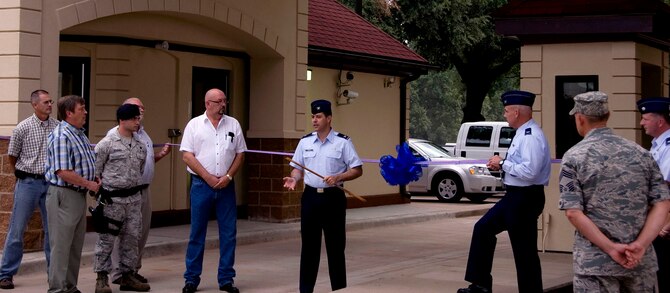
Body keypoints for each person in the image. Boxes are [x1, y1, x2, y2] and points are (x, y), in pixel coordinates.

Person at [559, 91, 670, 292]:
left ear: (580, 118)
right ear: (607, 116)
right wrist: (641, 245)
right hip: (640, 264)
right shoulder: (641, 154)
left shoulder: (573, 157)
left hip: (595, 266)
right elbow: (662, 203)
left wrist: (611, 249)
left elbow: (573, 212)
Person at [458, 90, 551, 293]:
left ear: (516, 112)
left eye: (507, 111)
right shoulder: (523, 133)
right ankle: (480, 284)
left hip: (524, 198)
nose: (504, 114)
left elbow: (530, 172)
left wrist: (503, 163)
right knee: (483, 229)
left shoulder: (531, 136)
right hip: (516, 197)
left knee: (524, 251)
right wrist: (501, 165)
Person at [283, 99, 363, 293]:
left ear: (329, 118)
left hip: (333, 198)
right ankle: (305, 289)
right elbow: (297, 169)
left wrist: (339, 176)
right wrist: (294, 179)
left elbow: (357, 169)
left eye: (318, 116)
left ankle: (339, 288)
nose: (314, 120)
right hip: (311, 198)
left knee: (335, 247)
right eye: (312, 116)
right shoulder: (305, 142)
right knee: (309, 248)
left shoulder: (343, 142)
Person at [180, 88, 246, 293]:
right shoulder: (194, 125)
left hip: (226, 186)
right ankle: (191, 279)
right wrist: (208, 177)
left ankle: (226, 279)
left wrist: (228, 177)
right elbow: (187, 156)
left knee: (228, 233)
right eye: (219, 102)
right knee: (197, 233)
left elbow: (240, 154)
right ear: (207, 103)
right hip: (201, 185)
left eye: (225, 101)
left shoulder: (233, 124)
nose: (223, 105)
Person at [108, 97, 171, 285]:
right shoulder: (115, 135)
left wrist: (158, 156)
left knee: (140, 232)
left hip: (144, 189)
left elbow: (144, 162)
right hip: (125, 191)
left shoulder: (144, 135)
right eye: (137, 108)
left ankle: (133, 270)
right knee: (123, 233)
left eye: (143, 107)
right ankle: (119, 272)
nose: (141, 111)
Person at [0, 90, 58, 290]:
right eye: (46, 102)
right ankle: (5, 274)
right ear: (35, 105)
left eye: (51, 101)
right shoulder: (22, 128)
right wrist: (23, 173)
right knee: (17, 228)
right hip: (28, 183)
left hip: (50, 182)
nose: (50, 105)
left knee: (52, 230)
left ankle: (54, 275)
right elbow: (12, 156)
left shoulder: (57, 127)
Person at [45, 95, 101, 293]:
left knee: (75, 245)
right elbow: (63, 171)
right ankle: (57, 289)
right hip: (63, 194)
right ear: (69, 113)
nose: (85, 112)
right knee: (61, 246)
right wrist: (89, 184)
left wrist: (93, 179)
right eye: (81, 109)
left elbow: (83, 163)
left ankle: (70, 286)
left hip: (77, 195)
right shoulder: (62, 136)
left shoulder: (79, 134)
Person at [92, 104, 150, 293]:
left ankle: (128, 275)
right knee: (106, 239)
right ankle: (102, 277)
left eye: (138, 118)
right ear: (122, 120)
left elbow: (140, 170)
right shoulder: (107, 144)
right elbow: (96, 171)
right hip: (112, 200)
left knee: (132, 238)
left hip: (133, 199)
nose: (137, 122)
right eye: (134, 118)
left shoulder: (140, 146)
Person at [637, 96, 670, 292]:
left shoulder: (668, 146)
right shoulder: (658, 144)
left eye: (645, 118)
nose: (642, 123)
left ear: (660, 121)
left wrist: (665, 223)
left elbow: (665, 187)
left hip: (664, 222)